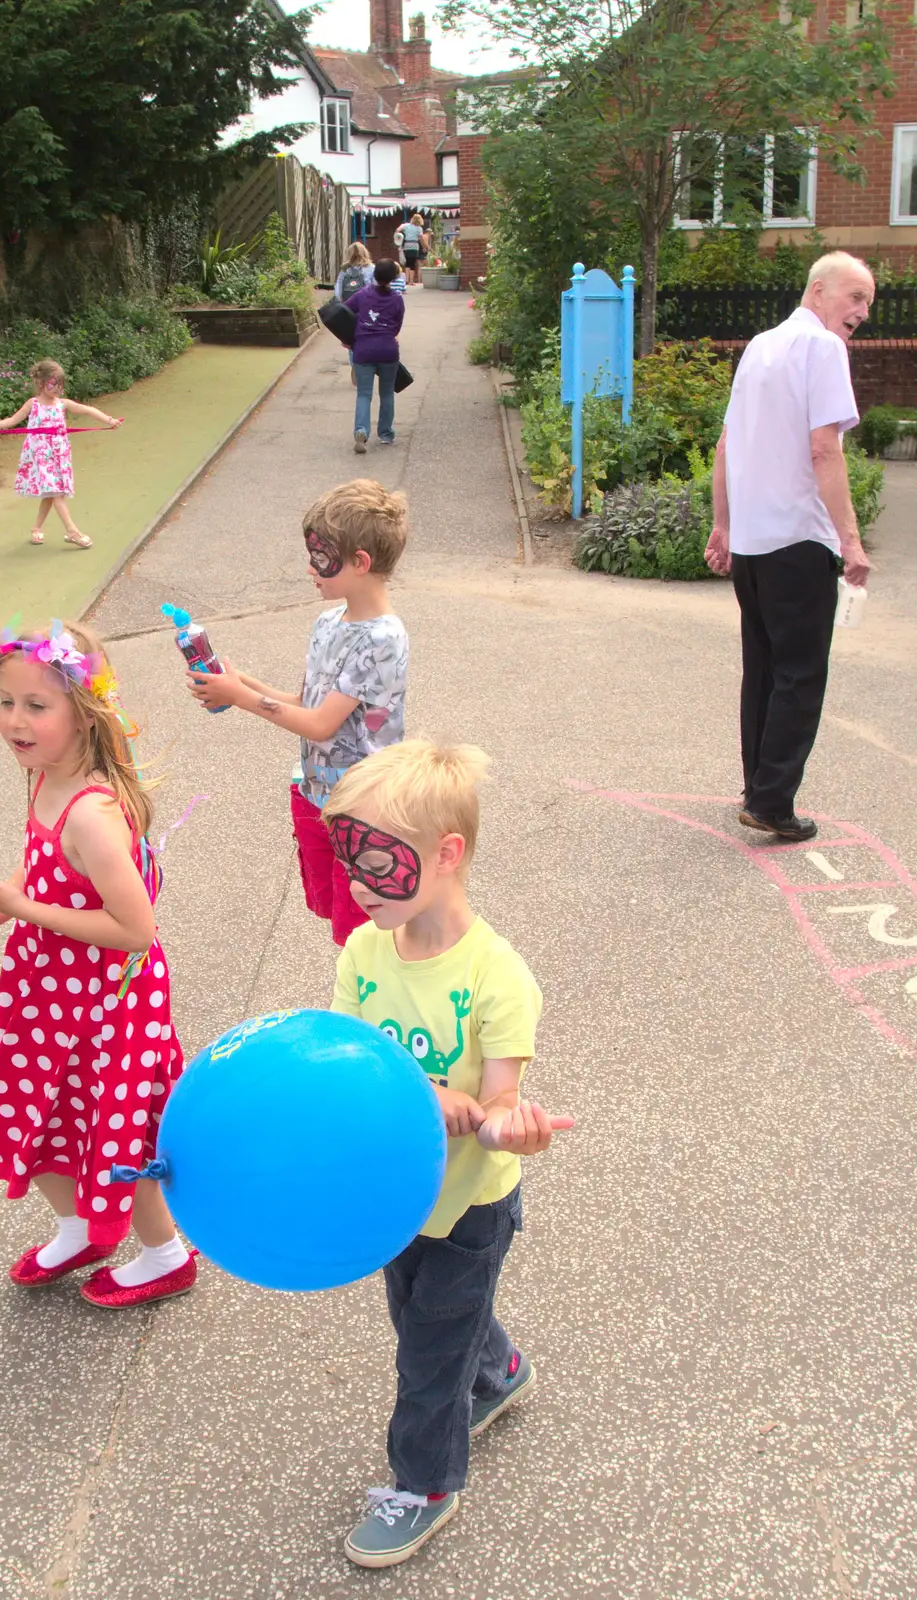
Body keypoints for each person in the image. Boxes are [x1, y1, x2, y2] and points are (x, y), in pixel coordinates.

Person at [325, 740, 569, 1569]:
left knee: (427, 1356)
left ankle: (424, 1485)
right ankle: (498, 1371)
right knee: (419, 1315)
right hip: (397, 1194)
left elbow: (498, 1106)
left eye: (375, 861)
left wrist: (507, 1126)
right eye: (346, 858)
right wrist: (421, 1098)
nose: (356, 882)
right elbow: (351, 1063)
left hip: (469, 1204)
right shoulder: (363, 953)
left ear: (445, 855)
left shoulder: (499, 977)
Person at [0, 615, 196, 1309]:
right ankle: (80, 1228)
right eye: (6, 702)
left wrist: (19, 908)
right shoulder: (45, 777)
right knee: (35, 1111)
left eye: (36, 705)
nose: (14, 719)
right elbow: (41, 872)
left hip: (108, 1004)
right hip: (49, 994)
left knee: (113, 1128)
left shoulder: (91, 813)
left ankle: (165, 1254)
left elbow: (135, 929)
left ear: (85, 712)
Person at [184, 480, 409, 947]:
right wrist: (241, 680)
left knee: (363, 933)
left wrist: (243, 699)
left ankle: (363, 1012)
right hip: (318, 794)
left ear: (360, 562)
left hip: (364, 810)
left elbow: (321, 725)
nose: (310, 568)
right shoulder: (329, 622)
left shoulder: (383, 638)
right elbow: (308, 705)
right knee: (335, 915)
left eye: (320, 557)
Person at [705, 250, 874, 843]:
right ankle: (774, 801)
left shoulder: (759, 345)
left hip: (753, 544)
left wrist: (724, 525)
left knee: (765, 670)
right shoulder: (823, 348)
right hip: (799, 540)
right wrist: (850, 543)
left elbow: (728, 444)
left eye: (868, 303)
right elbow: (824, 448)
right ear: (819, 290)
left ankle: (759, 789)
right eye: (855, 298)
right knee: (800, 675)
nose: (862, 313)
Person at [0, 358, 121, 549]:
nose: (58, 389)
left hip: (59, 456)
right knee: (56, 492)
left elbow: (87, 410)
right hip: (40, 456)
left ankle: (36, 528)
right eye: (54, 384)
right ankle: (72, 531)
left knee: (51, 494)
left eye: (61, 385)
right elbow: (11, 421)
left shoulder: (62, 404)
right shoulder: (33, 404)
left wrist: (109, 420)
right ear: (41, 382)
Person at [346, 261, 406, 453]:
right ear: (394, 278)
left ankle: (361, 431)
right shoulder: (397, 299)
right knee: (387, 393)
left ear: (375, 274)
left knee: (364, 394)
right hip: (388, 351)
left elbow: (344, 311)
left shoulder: (362, 294)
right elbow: (397, 327)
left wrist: (349, 336)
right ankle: (386, 434)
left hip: (363, 350)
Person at [335, 242, 374, 387]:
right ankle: (365, 365)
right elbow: (375, 287)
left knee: (351, 340)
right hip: (366, 310)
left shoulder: (344, 271)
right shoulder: (370, 268)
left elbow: (338, 293)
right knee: (367, 337)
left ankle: (354, 364)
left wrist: (343, 305)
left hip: (348, 310)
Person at [397, 214, 427, 285]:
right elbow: (421, 239)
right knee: (412, 263)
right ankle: (411, 281)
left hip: (407, 245)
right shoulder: (419, 228)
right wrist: (423, 247)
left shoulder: (406, 225)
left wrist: (397, 235)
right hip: (414, 245)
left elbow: (398, 229)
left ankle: (406, 280)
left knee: (407, 262)